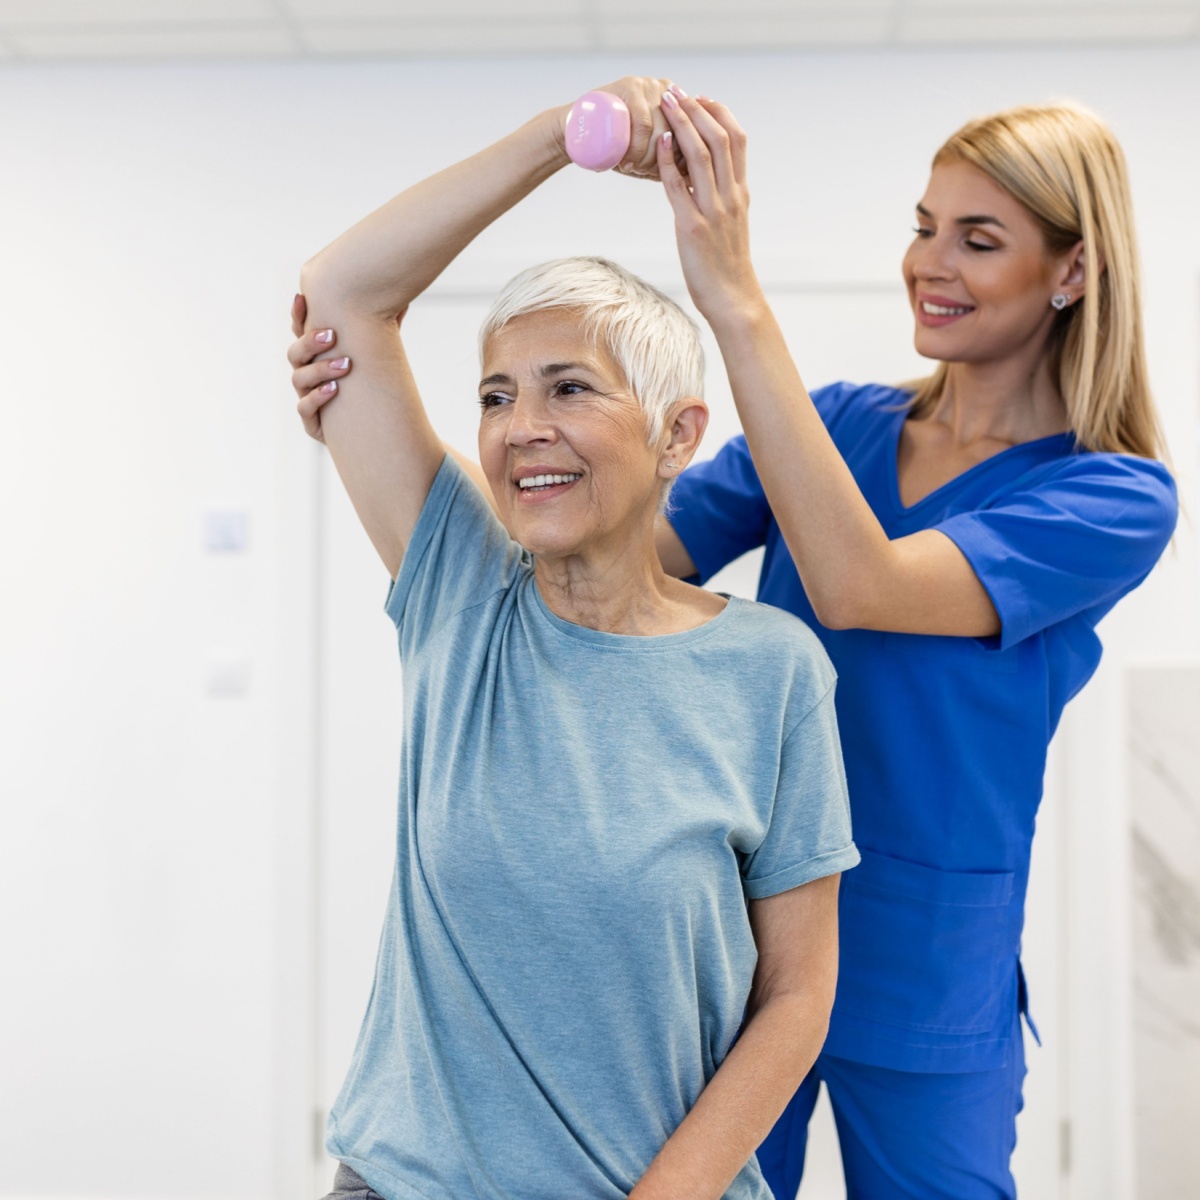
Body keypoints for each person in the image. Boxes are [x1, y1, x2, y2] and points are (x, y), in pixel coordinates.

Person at [293, 88, 1178, 1198]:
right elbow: (619, 553)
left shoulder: (1111, 496)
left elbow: (862, 584)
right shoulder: (844, 425)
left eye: (978, 238)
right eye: (922, 226)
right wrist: (469, 483)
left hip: (919, 960)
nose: (930, 263)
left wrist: (731, 294)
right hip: (721, 940)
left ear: (1073, 271)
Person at [288, 77, 859, 1200]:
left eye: (568, 388)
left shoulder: (772, 672)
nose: (520, 429)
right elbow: (341, 294)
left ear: (676, 435)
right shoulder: (464, 590)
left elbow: (797, 994)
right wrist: (565, 138)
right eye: (497, 396)